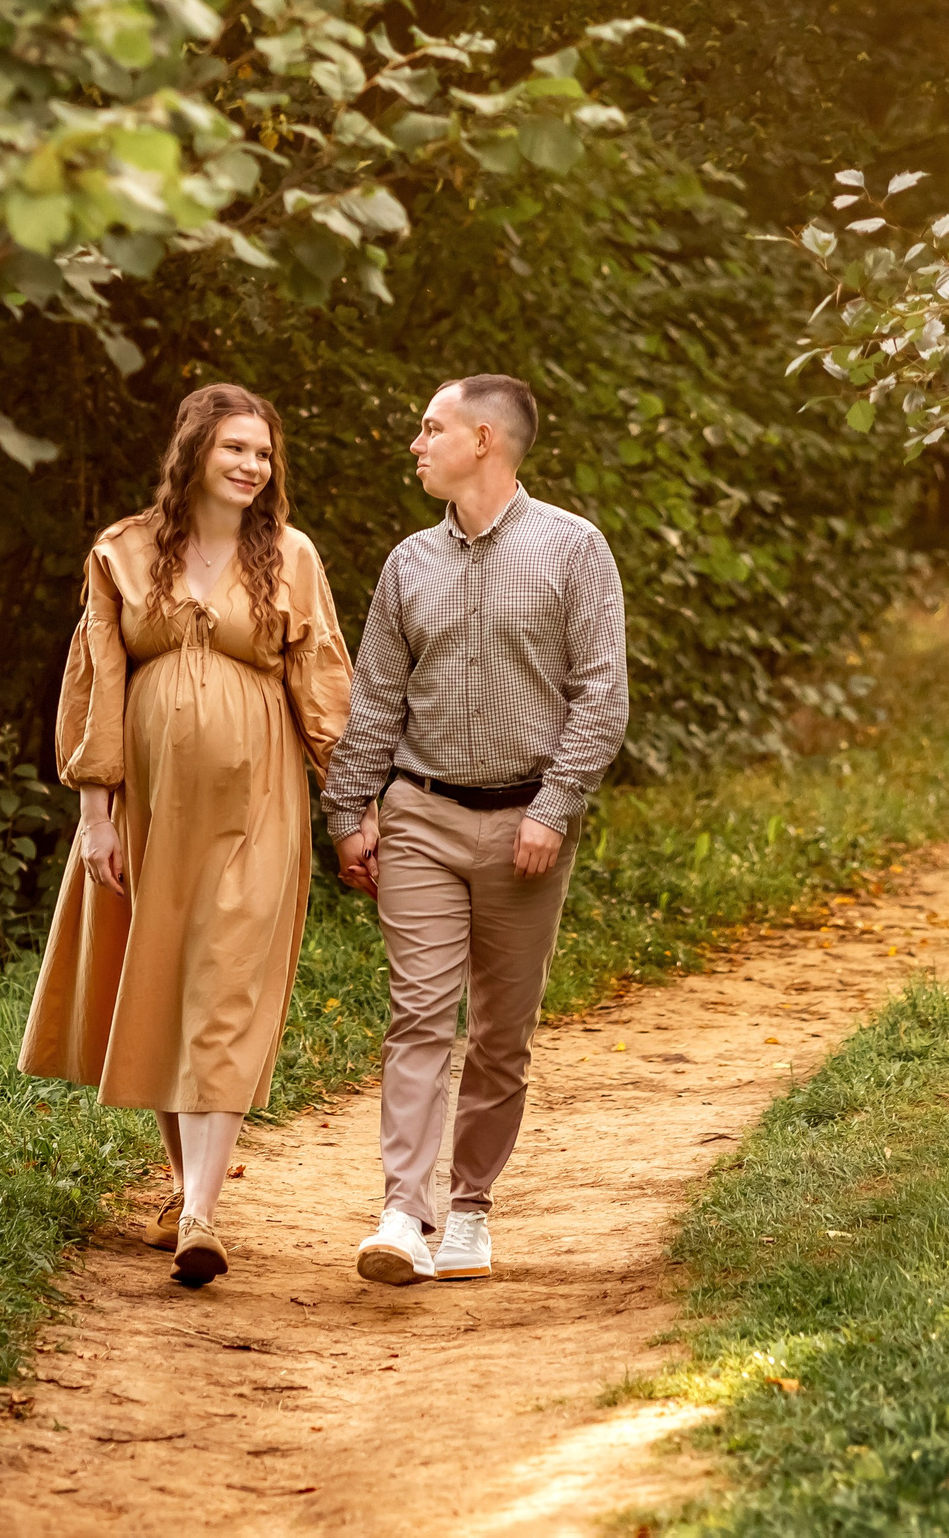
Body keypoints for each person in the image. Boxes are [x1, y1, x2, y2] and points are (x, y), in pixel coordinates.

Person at [17, 383, 353, 1288]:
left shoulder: (289, 555)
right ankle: (182, 1184)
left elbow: (321, 675)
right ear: (196, 451)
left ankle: (203, 1211)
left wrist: (351, 803)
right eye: (237, 448)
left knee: (227, 981)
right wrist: (95, 814)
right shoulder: (125, 552)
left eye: (265, 453)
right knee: (159, 980)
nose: (253, 466)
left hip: (259, 804)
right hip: (151, 808)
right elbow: (96, 676)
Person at [322, 373, 629, 1286]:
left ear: (485, 439)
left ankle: (468, 1209)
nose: (417, 445)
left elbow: (601, 695)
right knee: (418, 1012)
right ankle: (401, 1213)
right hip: (419, 811)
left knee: (501, 1030)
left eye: (431, 428)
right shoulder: (408, 562)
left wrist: (553, 807)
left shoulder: (575, 550)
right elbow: (374, 697)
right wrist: (349, 810)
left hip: (527, 826)